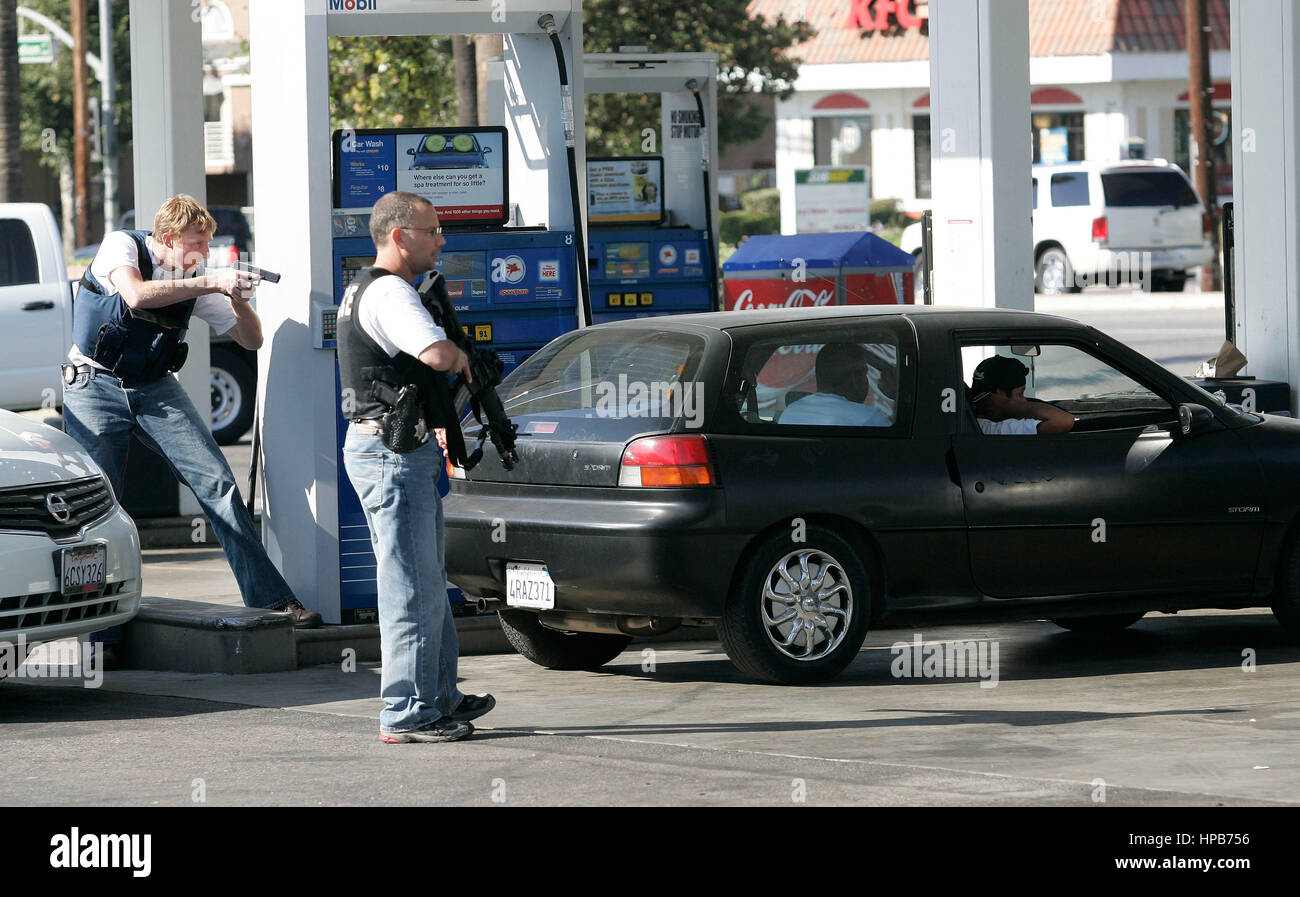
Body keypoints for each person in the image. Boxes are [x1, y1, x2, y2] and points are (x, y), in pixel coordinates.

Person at [62, 194, 321, 634]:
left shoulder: (194, 279)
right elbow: (137, 294)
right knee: (101, 507)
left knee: (218, 486)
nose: (204, 254)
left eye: (206, 244)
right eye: (196, 244)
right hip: (93, 384)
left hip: (154, 387)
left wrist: (238, 299)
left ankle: (274, 602)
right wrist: (212, 282)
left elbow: (251, 340)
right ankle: (101, 633)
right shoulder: (123, 247)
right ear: (166, 239)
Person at [336, 190, 495, 744]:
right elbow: (432, 353)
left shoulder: (362, 288)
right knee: (409, 588)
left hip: (393, 451)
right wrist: (462, 355)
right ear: (400, 236)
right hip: (392, 456)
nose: (441, 241)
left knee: (426, 582)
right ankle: (407, 713)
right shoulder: (392, 294)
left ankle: (439, 697)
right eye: (432, 232)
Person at [779, 342, 893, 427]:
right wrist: (895, 395)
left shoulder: (790, 412)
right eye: (864, 373)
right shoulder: (869, 418)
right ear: (854, 378)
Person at [968, 354, 1075, 435]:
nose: (1024, 400)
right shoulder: (991, 429)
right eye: (1020, 394)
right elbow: (1064, 420)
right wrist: (1013, 408)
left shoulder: (970, 420)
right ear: (1000, 392)